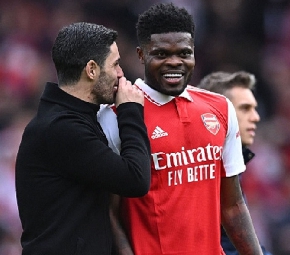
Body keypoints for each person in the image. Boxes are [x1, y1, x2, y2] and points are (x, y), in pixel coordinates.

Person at [98, 3, 263, 255]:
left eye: (184, 53)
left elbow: (233, 206)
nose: (174, 62)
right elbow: (109, 213)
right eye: (162, 54)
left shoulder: (220, 108)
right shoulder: (116, 116)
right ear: (141, 55)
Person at [15, 22, 151, 255]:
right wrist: (130, 111)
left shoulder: (71, 120)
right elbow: (136, 180)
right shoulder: (61, 129)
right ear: (91, 70)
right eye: (115, 64)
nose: (121, 73)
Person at [198, 71, 272, 255]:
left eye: (254, 108)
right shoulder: (203, 170)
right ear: (219, 114)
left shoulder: (231, 165)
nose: (256, 117)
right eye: (245, 108)